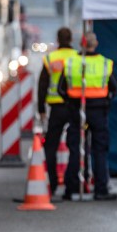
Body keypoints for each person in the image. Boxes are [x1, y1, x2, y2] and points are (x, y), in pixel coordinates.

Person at [58, 32, 117, 201]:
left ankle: (71, 189)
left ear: (81, 44)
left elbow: (61, 89)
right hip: (99, 111)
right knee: (99, 150)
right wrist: (106, 101)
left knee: (76, 149)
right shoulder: (104, 64)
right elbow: (115, 89)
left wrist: (70, 103)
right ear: (96, 43)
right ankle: (100, 189)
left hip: (77, 111)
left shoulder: (71, 63)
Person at [37, 27, 78, 196]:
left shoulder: (50, 59)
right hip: (75, 106)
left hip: (56, 108)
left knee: (51, 146)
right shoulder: (78, 58)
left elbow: (42, 86)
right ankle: (72, 184)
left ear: (58, 39)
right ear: (71, 39)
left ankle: (52, 183)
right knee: (75, 146)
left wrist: (41, 109)